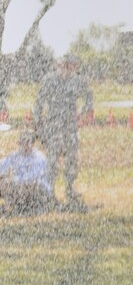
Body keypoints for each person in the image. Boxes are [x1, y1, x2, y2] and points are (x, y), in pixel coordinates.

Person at [33, 53, 93, 209]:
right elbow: (39, 102)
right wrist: (38, 122)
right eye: (64, 65)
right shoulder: (49, 80)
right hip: (53, 126)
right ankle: (50, 192)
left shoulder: (77, 81)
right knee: (52, 161)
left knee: (71, 159)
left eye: (70, 66)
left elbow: (88, 97)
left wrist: (83, 112)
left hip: (70, 127)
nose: (67, 68)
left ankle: (70, 189)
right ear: (58, 66)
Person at [0, 130, 53, 215]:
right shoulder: (15, 156)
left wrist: (11, 180)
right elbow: (2, 166)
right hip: (20, 188)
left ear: (32, 143)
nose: (25, 145)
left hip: (39, 190)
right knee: (3, 183)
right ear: (19, 143)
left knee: (27, 185)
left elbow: (33, 178)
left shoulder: (39, 158)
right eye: (23, 142)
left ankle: (10, 208)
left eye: (28, 142)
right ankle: (10, 208)